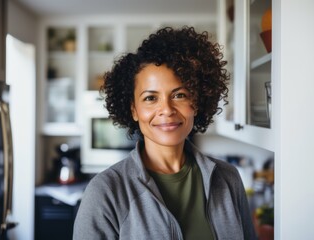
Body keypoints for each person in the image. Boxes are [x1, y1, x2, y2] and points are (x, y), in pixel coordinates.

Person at [73, 26, 256, 239]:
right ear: (133, 109)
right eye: (150, 98)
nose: (167, 110)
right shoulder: (105, 192)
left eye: (179, 95)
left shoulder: (227, 178)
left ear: (196, 102)